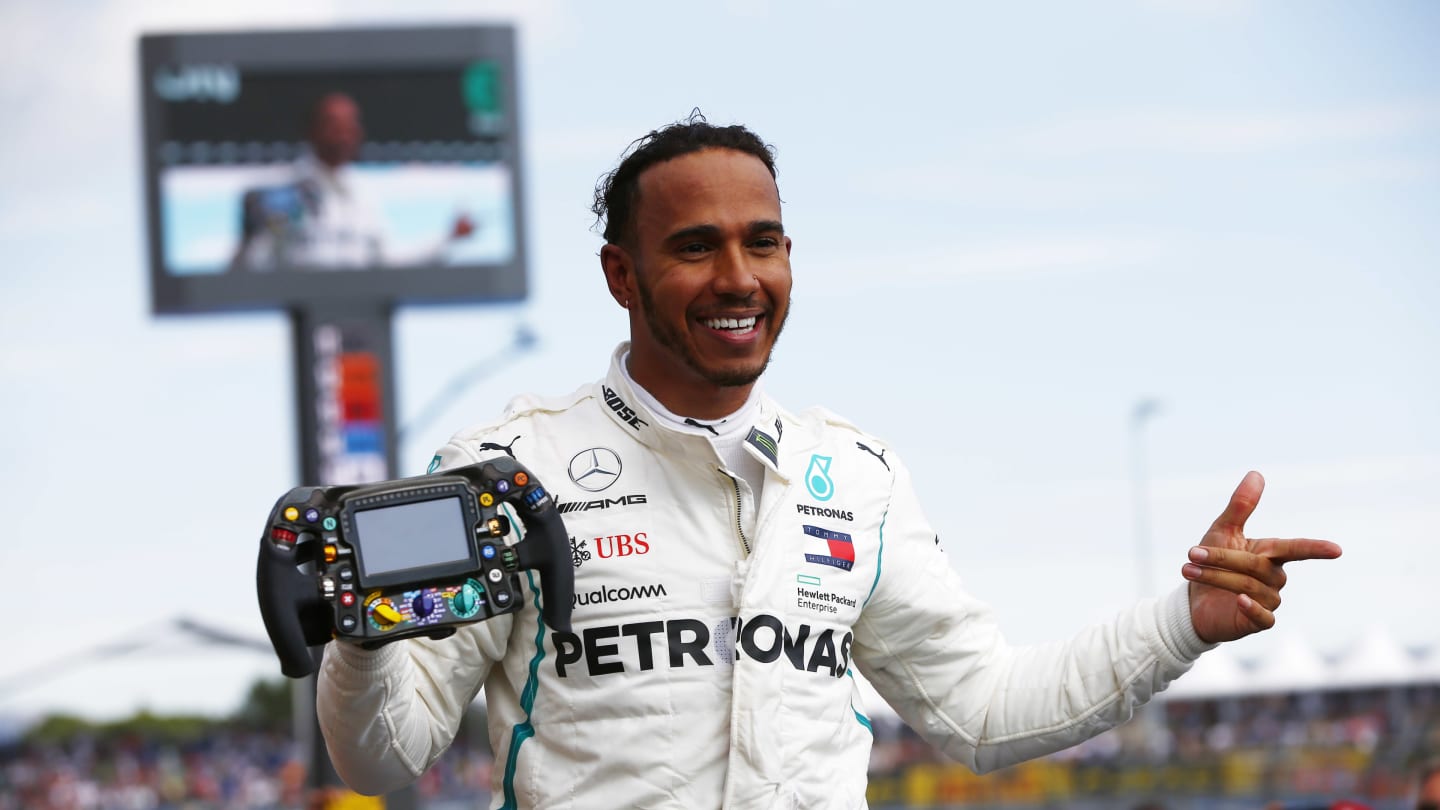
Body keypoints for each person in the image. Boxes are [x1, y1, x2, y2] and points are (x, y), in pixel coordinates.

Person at [315, 114, 1342, 809]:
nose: (739, 278)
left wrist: (1186, 624)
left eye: (765, 242)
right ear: (620, 274)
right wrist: (360, 640)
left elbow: (981, 714)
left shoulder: (854, 476)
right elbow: (384, 754)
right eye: (696, 247)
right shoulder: (507, 467)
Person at [230, 92, 474, 271]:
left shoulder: (364, 194)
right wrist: (249, 238)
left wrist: (449, 240)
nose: (343, 135)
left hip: (357, 320)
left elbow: (386, 260)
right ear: (312, 131)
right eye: (334, 125)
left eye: (350, 126)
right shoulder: (279, 191)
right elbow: (249, 268)